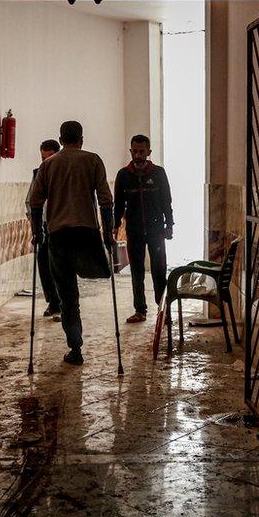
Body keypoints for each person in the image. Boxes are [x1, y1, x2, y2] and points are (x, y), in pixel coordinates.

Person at [28, 121, 115, 365]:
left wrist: (38, 232)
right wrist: (108, 233)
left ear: (61, 138)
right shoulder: (93, 160)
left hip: (59, 236)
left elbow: (35, 203)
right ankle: (76, 343)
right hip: (86, 234)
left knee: (68, 297)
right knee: (94, 278)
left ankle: (75, 348)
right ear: (81, 138)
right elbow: (106, 201)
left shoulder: (48, 165)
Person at [112, 134, 174, 323]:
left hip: (157, 231)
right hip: (135, 231)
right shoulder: (123, 175)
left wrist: (169, 225)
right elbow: (118, 205)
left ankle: (163, 311)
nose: (138, 155)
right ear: (130, 151)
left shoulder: (158, 173)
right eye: (135, 151)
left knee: (159, 271)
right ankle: (140, 310)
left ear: (149, 152)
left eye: (142, 151)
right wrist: (115, 226)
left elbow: (166, 201)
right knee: (137, 272)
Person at [26, 139, 62, 321]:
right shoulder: (38, 173)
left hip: (61, 225)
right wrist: (35, 226)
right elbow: (30, 200)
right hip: (44, 226)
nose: (45, 162)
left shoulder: (64, 173)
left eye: (49, 158)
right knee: (44, 265)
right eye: (43, 158)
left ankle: (61, 304)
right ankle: (53, 302)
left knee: (59, 267)